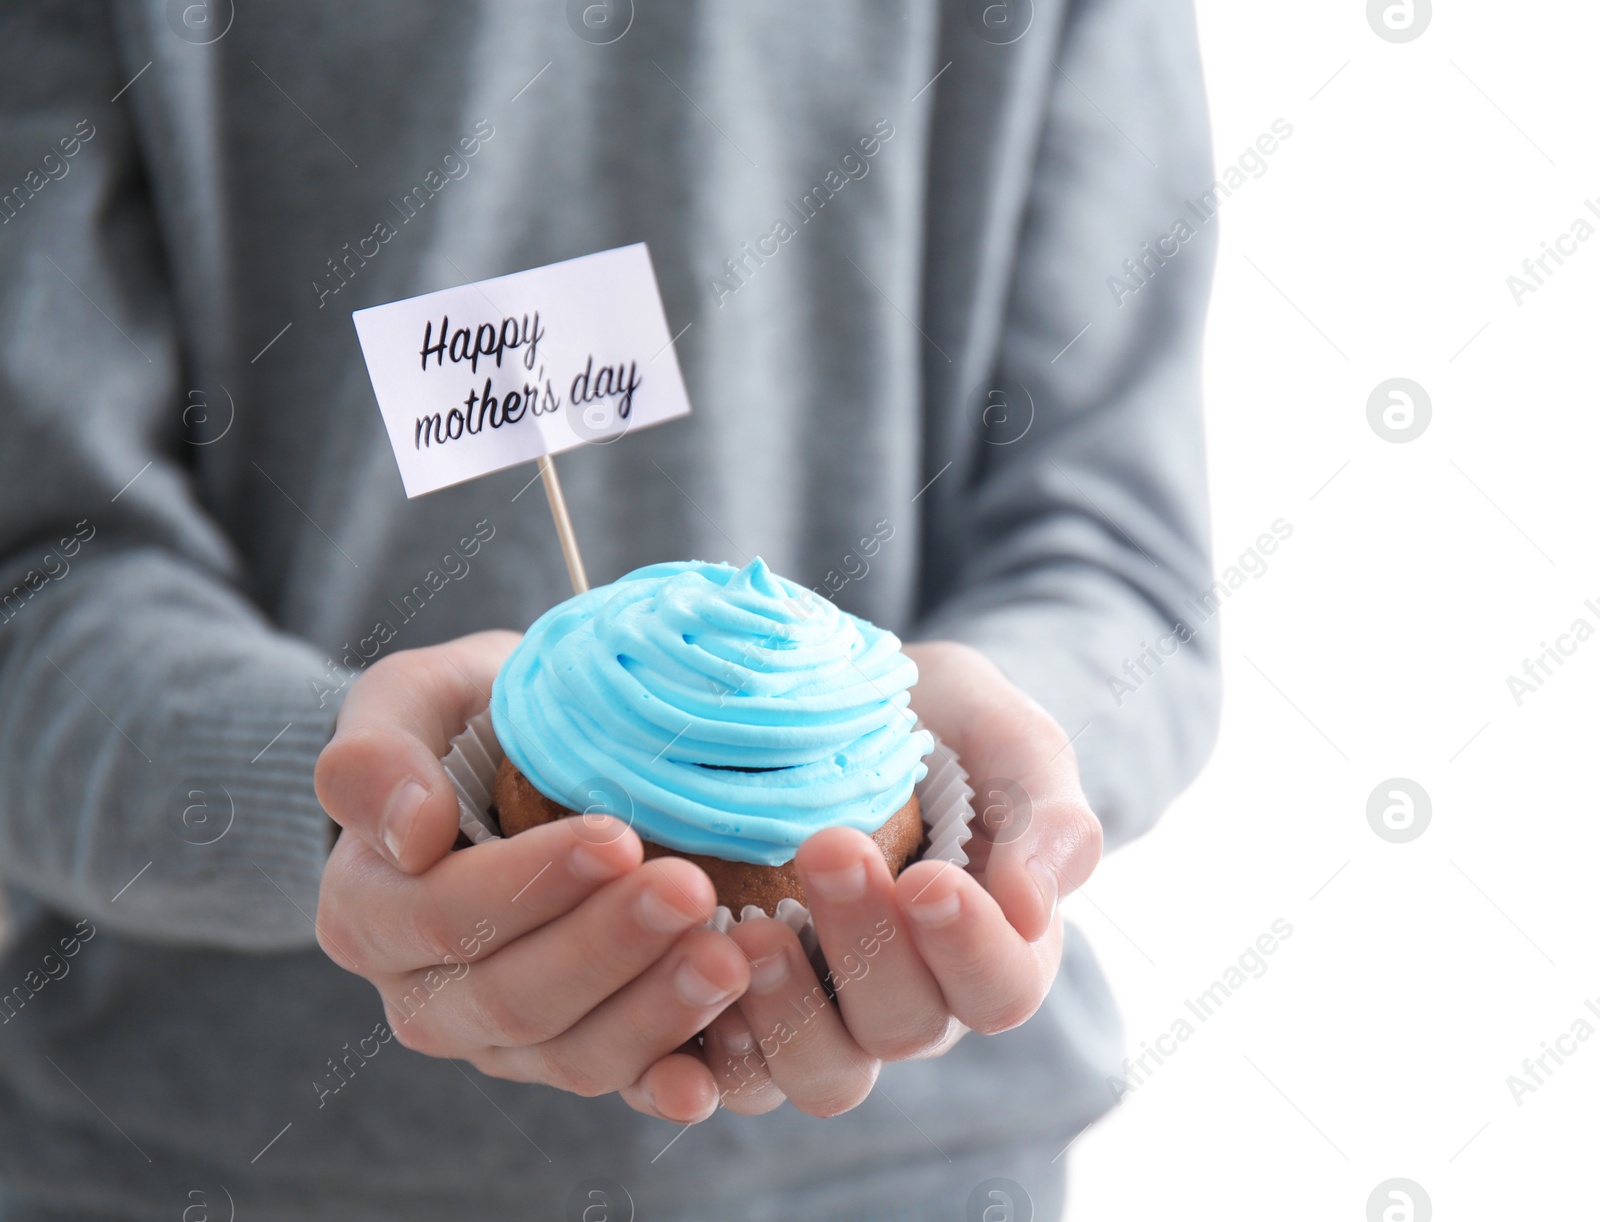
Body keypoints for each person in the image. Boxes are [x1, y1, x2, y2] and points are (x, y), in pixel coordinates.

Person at [0, 1, 1218, 1218]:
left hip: (919, 1178)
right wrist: (353, 805)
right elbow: (32, 578)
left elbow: (1119, 558)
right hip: (211, 1165)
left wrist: (1015, 762)